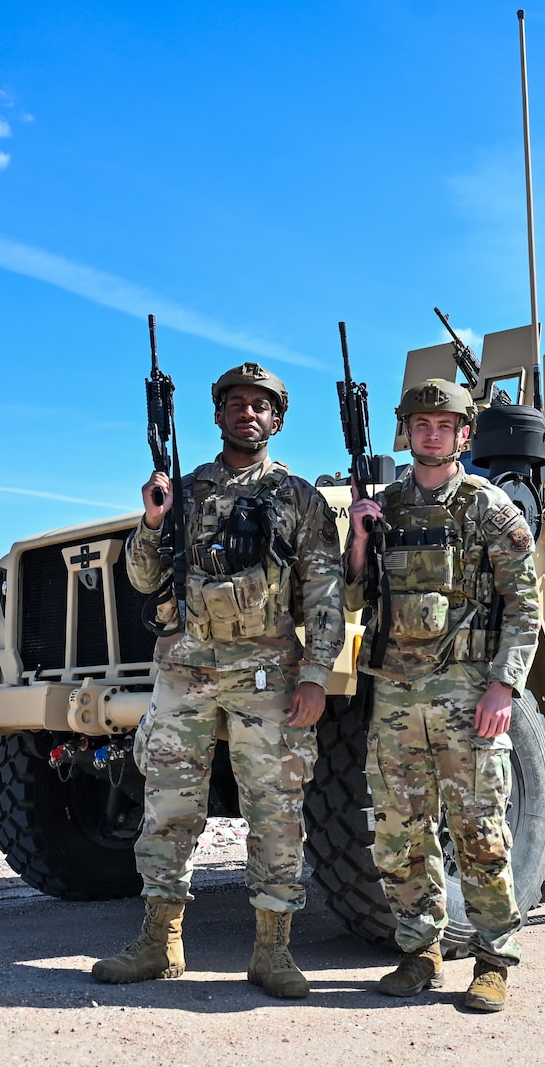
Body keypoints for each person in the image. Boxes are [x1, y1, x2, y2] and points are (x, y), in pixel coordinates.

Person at [94, 361, 345, 1000]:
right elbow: (144, 580)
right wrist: (152, 521)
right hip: (186, 670)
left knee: (276, 810)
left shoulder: (299, 498)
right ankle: (160, 940)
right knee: (169, 807)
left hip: (268, 674)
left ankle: (272, 951)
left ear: (277, 419)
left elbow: (323, 594)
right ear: (219, 414)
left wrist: (315, 676)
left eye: (261, 405)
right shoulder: (185, 488)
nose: (248, 413)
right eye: (237, 403)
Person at [344, 378, 541, 1013]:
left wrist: (503, 686)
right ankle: (420, 950)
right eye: (420, 424)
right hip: (396, 694)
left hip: (466, 693)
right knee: (401, 833)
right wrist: (359, 539)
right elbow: (352, 597)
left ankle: (493, 959)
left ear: (463, 435)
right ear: (408, 432)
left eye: (444, 424)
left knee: (479, 830)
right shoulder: (386, 507)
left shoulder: (489, 508)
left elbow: (525, 605)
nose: (431, 434)